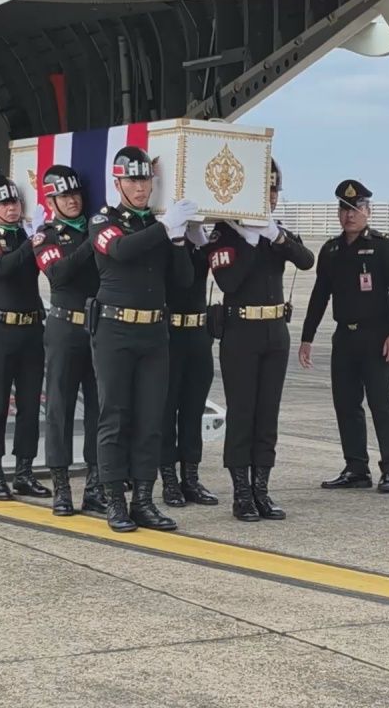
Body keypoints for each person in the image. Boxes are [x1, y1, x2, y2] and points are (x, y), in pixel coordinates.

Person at [89, 146, 197, 532]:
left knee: (151, 419)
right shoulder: (103, 221)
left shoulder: (157, 224)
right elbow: (120, 250)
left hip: (153, 332)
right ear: (117, 183)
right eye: (132, 180)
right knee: (115, 417)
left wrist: (180, 240)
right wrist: (166, 228)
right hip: (115, 330)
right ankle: (115, 501)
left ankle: (144, 501)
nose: (140, 187)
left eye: (145, 180)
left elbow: (183, 281)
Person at [210, 159, 315, 520]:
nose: (270, 196)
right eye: (263, 189)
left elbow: (306, 260)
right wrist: (251, 241)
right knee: (243, 413)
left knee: (268, 414)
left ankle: (261, 489)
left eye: (274, 190)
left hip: (274, 332)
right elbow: (228, 281)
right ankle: (241, 492)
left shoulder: (275, 231)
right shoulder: (225, 233)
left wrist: (275, 235)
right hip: (241, 331)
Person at [299, 179, 389, 493]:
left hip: (376, 337)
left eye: (356, 208)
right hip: (344, 338)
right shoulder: (331, 250)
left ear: (368, 211)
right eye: (344, 209)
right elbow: (320, 295)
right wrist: (307, 337)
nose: (349, 215)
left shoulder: (384, 246)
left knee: (381, 404)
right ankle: (356, 468)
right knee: (346, 404)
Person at [0, 177, 48, 501]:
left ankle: (24, 472)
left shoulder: (29, 235)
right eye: (3, 204)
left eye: (15, 202)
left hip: (31, 328)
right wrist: (33, 240)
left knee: (30, 404)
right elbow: (1, 267)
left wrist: (38, 238)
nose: (12, 208)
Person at [31, 165, 102, 516]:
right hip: (65, 328)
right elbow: (58, 274)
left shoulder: (95, 227)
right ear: (51, 202)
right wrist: (94, 241)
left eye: (75, 194)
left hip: (98, 327)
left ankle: (95, 485)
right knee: (60, 408)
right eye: (64, 196)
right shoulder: (46, 236)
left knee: (100, 409)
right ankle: (61, 486)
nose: (72, 201)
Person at [158, 207, 218, 509]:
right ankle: (169, 479)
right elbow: (182, 280)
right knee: (167, 411)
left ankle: (191, 478)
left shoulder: (199, 243)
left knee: (194, 411)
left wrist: (199, 238)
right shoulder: (165, 241)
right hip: (171, 335)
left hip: (198, 335)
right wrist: (178, 239)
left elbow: (209, 271)